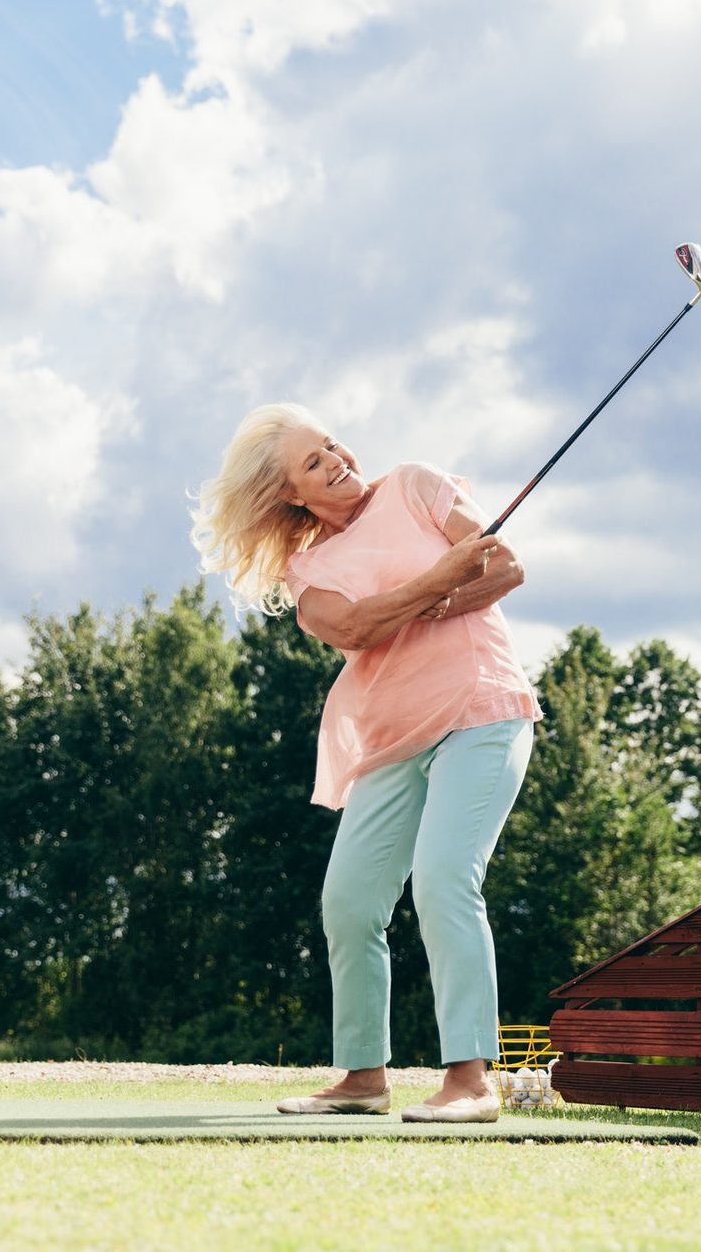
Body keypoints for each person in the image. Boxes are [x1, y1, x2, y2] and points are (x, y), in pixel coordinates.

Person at [192, 402, 540, 1123]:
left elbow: (503, 565)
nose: (336, 460)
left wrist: (425, 601)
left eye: (330, 444)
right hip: (392, 738)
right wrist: (435, 580)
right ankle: (361, 1077)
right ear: (290, 493)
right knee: (349, 902)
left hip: (481, 710)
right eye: (313, 462)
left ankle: (471, 1081)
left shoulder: (416, 484)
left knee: (445, 879)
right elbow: (350, 625)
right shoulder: (305, 569)